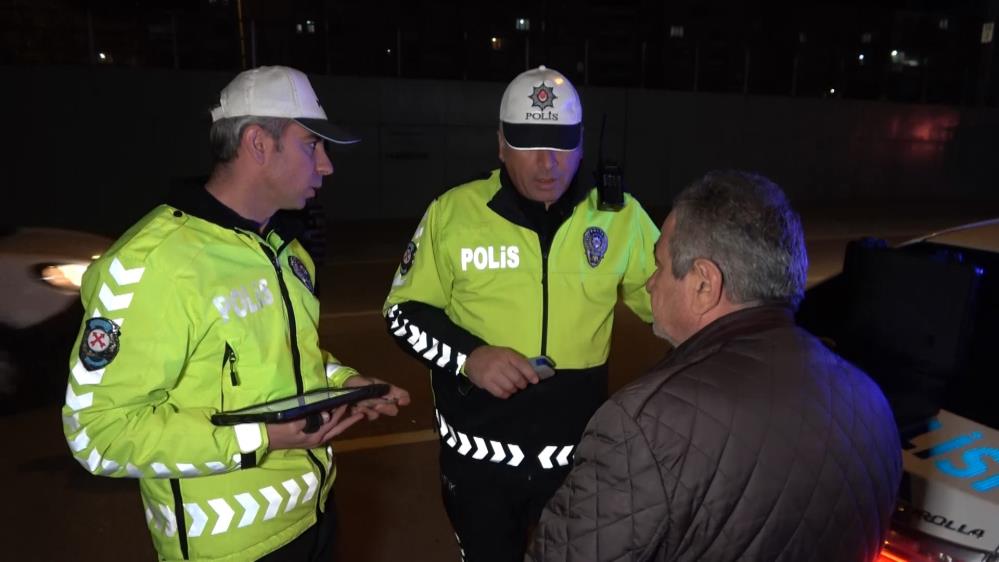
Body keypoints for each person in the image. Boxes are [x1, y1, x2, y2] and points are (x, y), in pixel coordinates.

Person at [62, 65, 410, 561]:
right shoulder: (153, 262)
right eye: (312, 145)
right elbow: (97, 432)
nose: (326, 165)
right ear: (258, 144)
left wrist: (345, 383)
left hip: (313, 519)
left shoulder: (285, 252)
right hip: (225, 548)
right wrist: (263, 438)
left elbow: (284, 359)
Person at [527, 171, 902, 562]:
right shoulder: (870, 401)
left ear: (704, 284)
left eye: (658, 265)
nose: (651, 284)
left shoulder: (644, 425)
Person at [382, 65, 660, 561]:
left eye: (561, 143)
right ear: (501, 144)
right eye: (529, 143)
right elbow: (402, 313)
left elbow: (671, 308)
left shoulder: (621, 218)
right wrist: (472, 357)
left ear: (581, 144)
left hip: (578, 463)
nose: (547, 163)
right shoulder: (453, 213)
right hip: (476, 465)